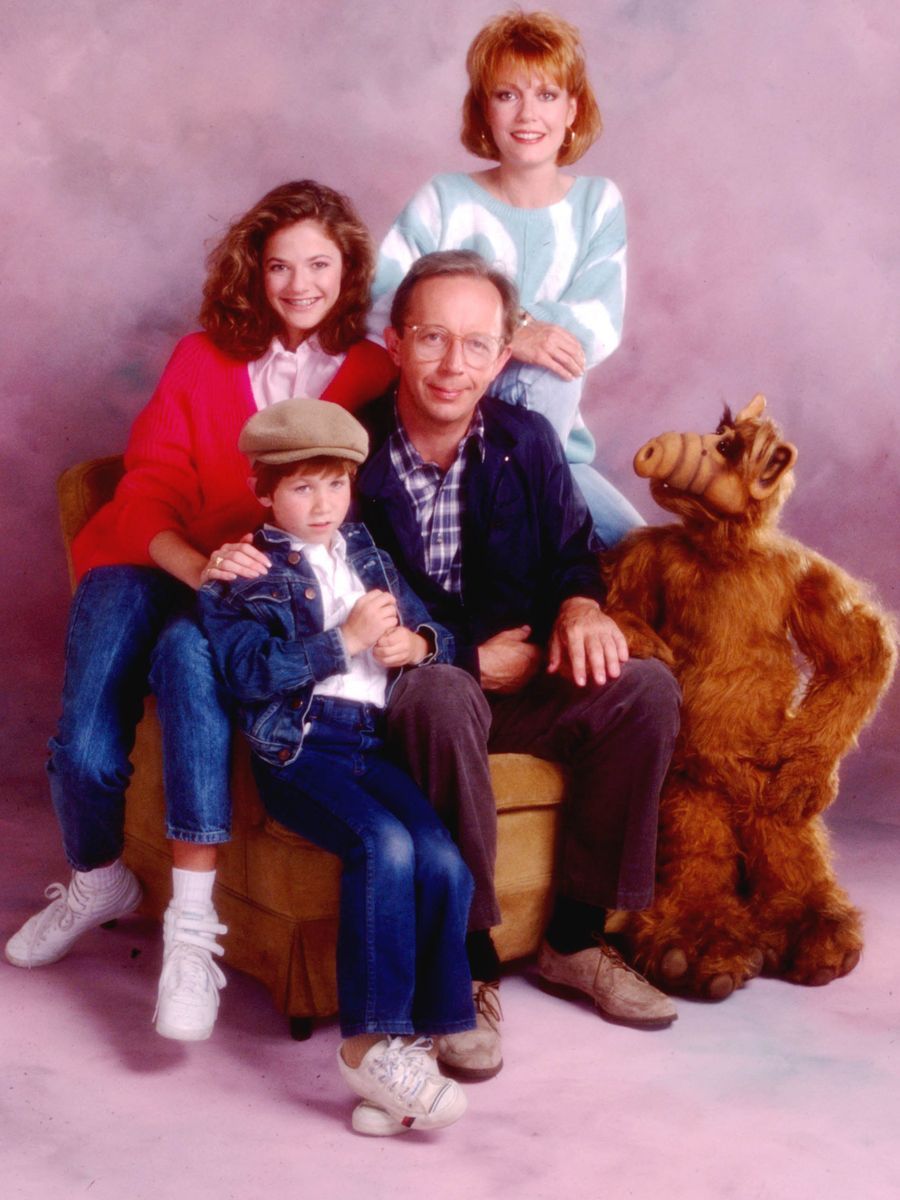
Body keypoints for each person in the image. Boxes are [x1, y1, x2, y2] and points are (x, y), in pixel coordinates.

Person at [5, 181, 396, 1045]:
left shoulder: (375, 368)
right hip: (151, 555)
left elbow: (444, 393)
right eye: (280, 266)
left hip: (257, 590)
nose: (300, 285)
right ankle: (97, 877)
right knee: (88, 748)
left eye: (320, 265)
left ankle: (191, 935)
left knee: (191, 659)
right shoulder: (200, 357)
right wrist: (195, 560)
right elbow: (148, 488)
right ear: (253, 274)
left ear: (350, 270)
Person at [354, 249, 681, 1099]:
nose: (452, 365)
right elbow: (365, 616)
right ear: (395, 342)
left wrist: (581, 607)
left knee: (644, 687)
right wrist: (465, 656)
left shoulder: (526, 441)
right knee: (437, 691)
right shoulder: (351, 456)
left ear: (504, 357)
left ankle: (575, 940)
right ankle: (465, 969)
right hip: (412, 691)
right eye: (432, 338)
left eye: (475, 345)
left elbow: (575, 556)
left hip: (522, 683)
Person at [197, 397, 474, 1136]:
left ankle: (421, 1041)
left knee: (442, 856)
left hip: (369, 744)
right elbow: (248, 675)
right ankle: (367, 1044)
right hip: (299, 750)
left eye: (336, 484)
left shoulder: (368, 553)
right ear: (264, 491)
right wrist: (343, 641)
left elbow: (433, 626)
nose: (323, 504)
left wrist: (414, 647)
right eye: (301, 487)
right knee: (382, 844)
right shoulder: (243, 573)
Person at [369, 9, 644, 548]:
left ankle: (512, 511)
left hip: (554, 449)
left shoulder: (597, 204)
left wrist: (514, 337)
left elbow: (593, 328)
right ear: (483, 110)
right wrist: (511, 333)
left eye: (546, 95)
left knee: (640, 554)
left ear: (572, 109)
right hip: (441, 430)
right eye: (506, 95)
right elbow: (382, 306)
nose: (527, 114)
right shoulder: (443, 198)